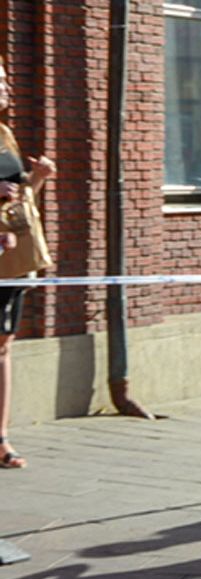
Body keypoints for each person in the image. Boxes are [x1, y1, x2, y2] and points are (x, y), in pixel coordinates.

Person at [0, 57, 55, 470]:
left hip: (12, 261)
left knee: (3, 346)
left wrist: (37, 179)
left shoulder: (4, 135)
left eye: (4, 81)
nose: (5, 90)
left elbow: (20, 200)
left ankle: (1, 438)